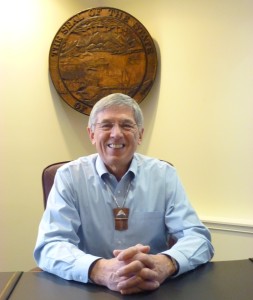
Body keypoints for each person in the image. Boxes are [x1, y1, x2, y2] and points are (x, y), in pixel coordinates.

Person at [34, 93, 214, 294]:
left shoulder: (164, 175)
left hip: (152, 287)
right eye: (106, 125)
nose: (116, 133)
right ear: (92, 134)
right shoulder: (69, 177)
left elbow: (198, 238)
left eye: (126, 125)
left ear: (140, 134)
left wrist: (165, 263)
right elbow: (50, 245)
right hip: (90, 290)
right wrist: (99, 269)